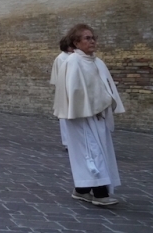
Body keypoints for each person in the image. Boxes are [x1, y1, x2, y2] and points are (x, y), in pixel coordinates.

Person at [54, 24, 124, 207]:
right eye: (87, 38)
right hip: (81, 116)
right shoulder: (73, 62)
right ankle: (100, 193)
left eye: (93, 37)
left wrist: (105, 103)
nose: (92, 41)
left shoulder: (97, 61)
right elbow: (74, 91)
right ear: (76, 42)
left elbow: (104, 87)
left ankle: (82, 190)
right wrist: (87, 107)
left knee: (99, 151)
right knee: (92, 153)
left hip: (98, 115)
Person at [50, 37, 74, 147]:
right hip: (65, 90)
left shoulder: (73, 57)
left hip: (72, 90)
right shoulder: (61, 58)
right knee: (64, 116)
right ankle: (67, 142)